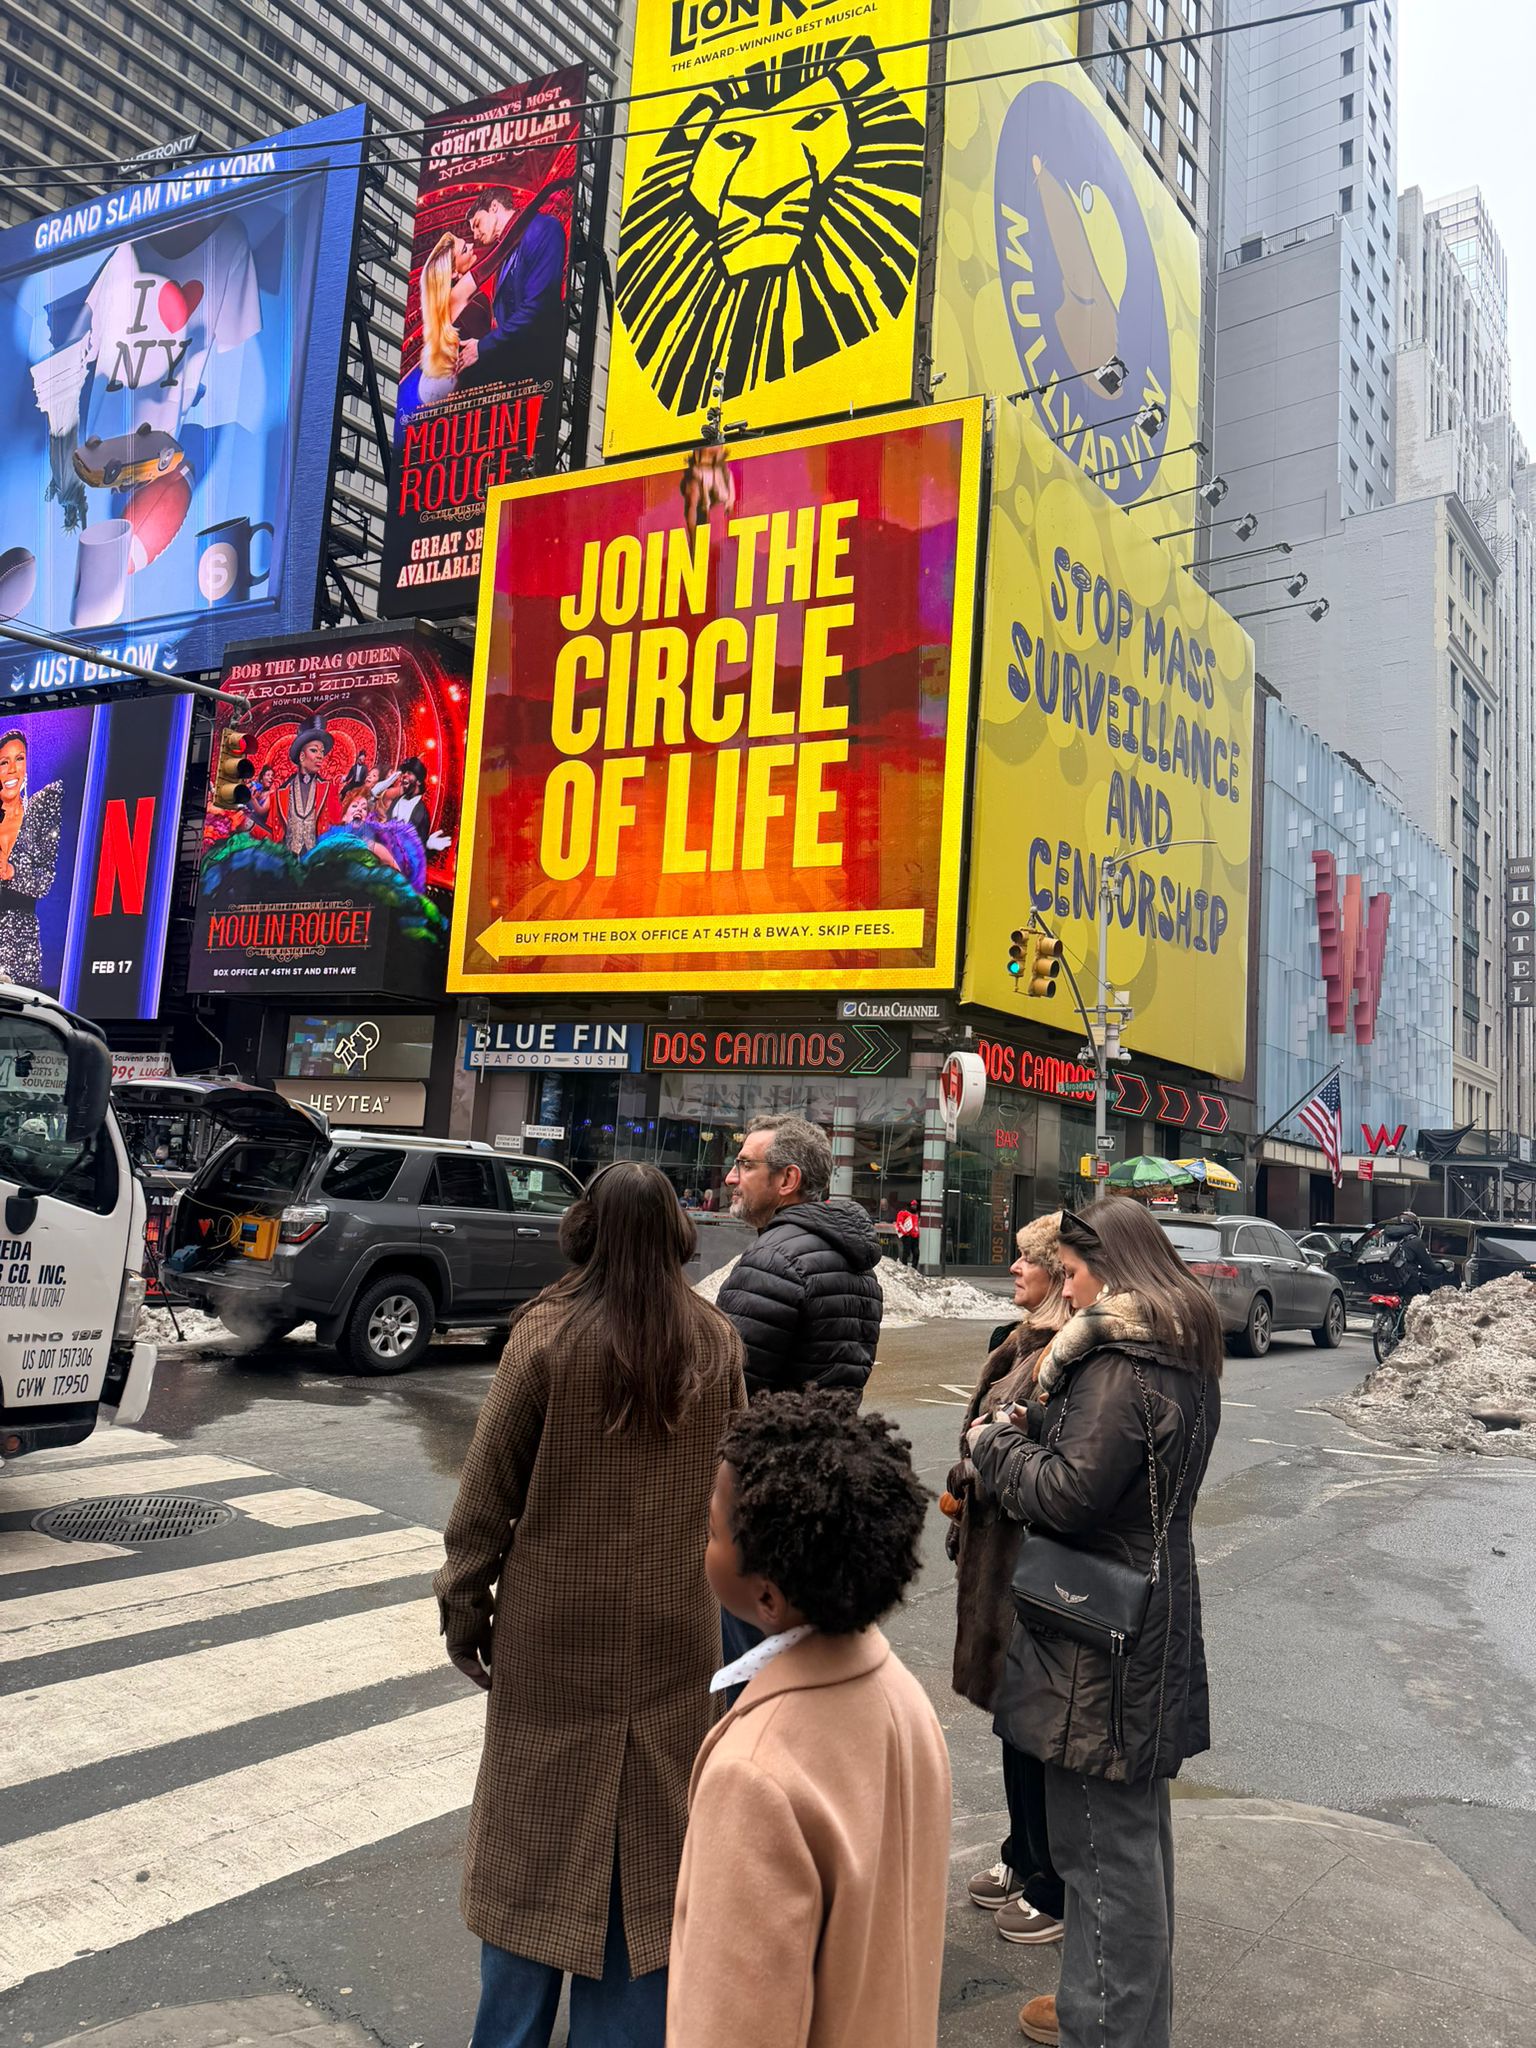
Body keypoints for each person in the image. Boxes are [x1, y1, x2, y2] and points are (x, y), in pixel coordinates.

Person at [434, 1161, 746, 2048]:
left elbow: (484, 1498)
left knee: (530, 1844)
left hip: (552, 1632)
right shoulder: (717, 1342)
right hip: (676, 1628)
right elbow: (741, 1491)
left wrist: (465, 1610)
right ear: (679, 1232)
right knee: (652, 1853)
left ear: (583, 1228)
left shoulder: (545, 1336)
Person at [969, 1197, 1222, 2048]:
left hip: (1096, 1631)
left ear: (1112, 1269)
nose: (1067, 1291)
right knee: (1132, 1838)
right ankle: (1118, 2016)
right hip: (1147, 1606)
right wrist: (1042, 1422)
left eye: (1074, 1273)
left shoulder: (1119, 1363)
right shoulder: (1180, 1347)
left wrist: (996, 1445)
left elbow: (1070, 1496)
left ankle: (1105, 2026)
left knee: (1099, 1850)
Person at [666, 1389, 951, 2048]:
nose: (703, 1542)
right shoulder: (904, 1698)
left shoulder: (754, 1775)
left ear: (766, 1596)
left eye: (712, 1531)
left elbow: (733, 2027)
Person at [946, 1215, 1070, 1949]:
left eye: (1028, 1259)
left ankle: (1050, 1876)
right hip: (995, 1553)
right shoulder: (1015, 1339)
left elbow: (1036, 1454)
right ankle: (1021, 1853)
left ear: (1058, 1271)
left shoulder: (1064, 1349)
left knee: (1034, 1723)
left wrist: (980, 1460)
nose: (1014, 1268)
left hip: (1029, 1557)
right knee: (1009, 1716)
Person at [716, 1113, 883, 1400]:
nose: (730, 1178)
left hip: (769, 1429)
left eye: (746, 1165)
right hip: (828, 1428)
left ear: (788, 1179)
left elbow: (726, 1387)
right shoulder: (856, 1261)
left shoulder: (772, 1260)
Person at [458, 188, 567, 387]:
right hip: (518, 373)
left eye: (477, 224)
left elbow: (537, 308)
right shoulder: (502, 256)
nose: (475, 235)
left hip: (540, 371)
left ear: (494, 207)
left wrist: (483, 347)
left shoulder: (543, 227)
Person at [0, 729, 63, 986]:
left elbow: (45, 880)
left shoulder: (39, 809)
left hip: (20, 946)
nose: (12, 769)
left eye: (20, 759)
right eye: (4, 762)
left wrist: (12, 872)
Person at [271, 720, 341, 857]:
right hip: (290, 862)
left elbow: (336, 827)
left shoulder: (329, 789)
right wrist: (248, 823)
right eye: (314, 750)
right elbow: (273, 834)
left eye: (322, 752)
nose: (320, 756)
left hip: (318, 861)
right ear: (302, 756)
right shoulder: (281, 793)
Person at [894, 1200, 921, 1267]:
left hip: (914, 1236)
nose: (914, 1207)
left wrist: (917, 1233)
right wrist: (905, 1232)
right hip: (907, 1235)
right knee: (906, 1251)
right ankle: (904, 1265)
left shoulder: (916, 1215)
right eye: (913, 1205)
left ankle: (914, 1267)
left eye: (915, 1205)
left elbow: (916, 1225)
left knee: (916, 1253)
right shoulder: (903, 1213)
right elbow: (899, 1223)